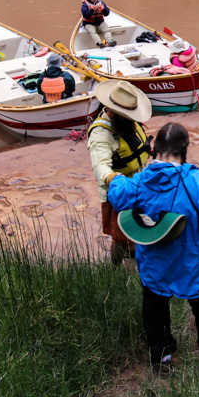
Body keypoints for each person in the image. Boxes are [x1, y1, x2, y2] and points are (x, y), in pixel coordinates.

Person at [108, 122, 199, 374]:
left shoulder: (140, 181)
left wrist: (115, 177)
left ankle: (162, 359)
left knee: (155, 309)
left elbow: (118, 195)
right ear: (184, 149)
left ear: (154, 149)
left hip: (156, 266)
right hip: (196, 265)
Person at [87, 80, 153, 264]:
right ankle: (116, 270)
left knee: (138, 229)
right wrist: (116, 180)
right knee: (120, 237)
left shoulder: (127, 123)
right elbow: (100, 167)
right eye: (128, 115)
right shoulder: (101, 133)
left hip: (139, 183)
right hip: (119, 191)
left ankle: (132, 260)